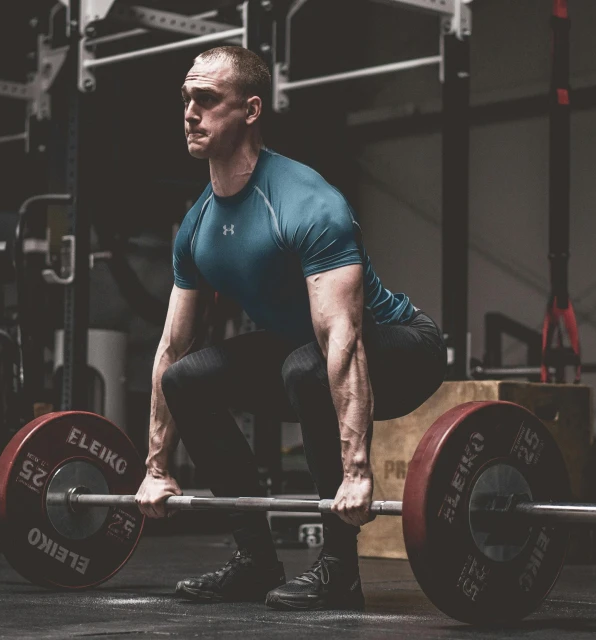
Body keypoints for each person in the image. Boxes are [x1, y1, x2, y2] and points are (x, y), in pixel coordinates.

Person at [135, 45, 447, 611]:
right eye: (186, 98)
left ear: (251, 110)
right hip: (304, 351)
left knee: (306, 367)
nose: (189, 112)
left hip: (405, 348)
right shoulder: (199, 224)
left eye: (207, 99)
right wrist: (155, 468)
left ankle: (338, 569)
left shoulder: (307, 203)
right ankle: (255, 561)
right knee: (186, 379)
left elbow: (343, 342)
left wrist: (357, 474)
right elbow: (171, 345)